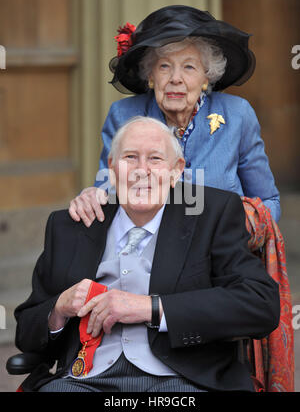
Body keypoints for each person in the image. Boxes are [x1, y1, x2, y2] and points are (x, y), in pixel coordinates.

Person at [14, 117, 280, 392]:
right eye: (130, 157)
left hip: (182, 381)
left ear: (176, 171)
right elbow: (26, 331)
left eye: (154, 159)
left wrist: (149, 308)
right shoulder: (71, 225)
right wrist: (58, 308)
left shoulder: (211, 214)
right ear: (112, 168)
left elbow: (260, 304)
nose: (142, 171)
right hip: (84, 381)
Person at [69, 5, 280, 228]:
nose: (175, 78)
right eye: (164, 66)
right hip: (151, 254)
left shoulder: (237, 115)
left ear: (206, 77)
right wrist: (92, 196)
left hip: (221, 253)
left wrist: (237, 232)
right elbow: (107, 193)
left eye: (189, 67)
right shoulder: (123, 116)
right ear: (150, 75)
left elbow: (269, 202)